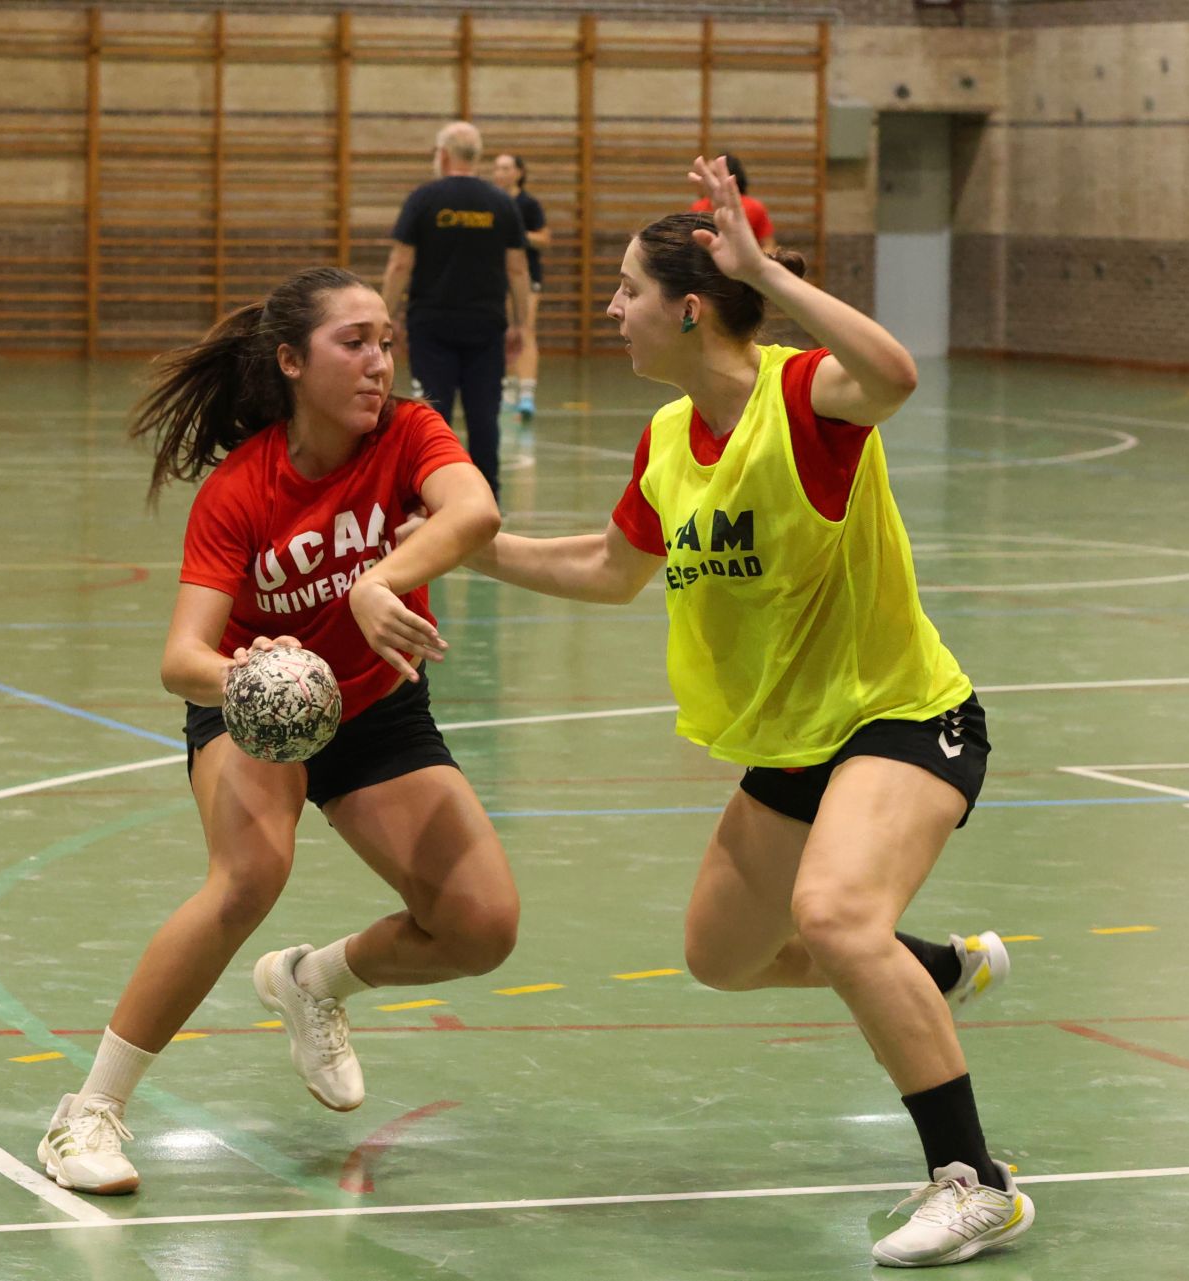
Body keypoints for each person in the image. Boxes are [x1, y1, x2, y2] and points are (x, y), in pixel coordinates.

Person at [431, 157, 1031, 1268]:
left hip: (901, 717)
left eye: (626, 291)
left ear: (690, 305)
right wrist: (458, 549)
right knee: (724, 956)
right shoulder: (667, 441)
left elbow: (894, 375)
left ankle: (974, 1182)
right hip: (789, 746)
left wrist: (769, 273)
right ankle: (935, 968)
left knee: (837, 916)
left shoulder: (803, 398)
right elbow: (611, 569)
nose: (610, 308)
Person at [35, 266, 516, 1198]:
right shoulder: (242, 490)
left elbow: (475, 510)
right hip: (256, 706)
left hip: (376, 706)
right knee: (250, 874)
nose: (379, 363)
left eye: (385, 340)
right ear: (292, 361)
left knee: (481, 926)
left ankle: (313, 980)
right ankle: (87, 1111)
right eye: (354, 343)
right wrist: (261, 675)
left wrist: (376, 583)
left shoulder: (412, 431)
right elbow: (183, 655)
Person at [381, 121, 531, 504]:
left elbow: (400, 264)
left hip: (432, 325)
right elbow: (517, 269)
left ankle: (433, 501)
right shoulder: (501, 203)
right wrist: (521, 325)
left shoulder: (423, 199)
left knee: (433, 416)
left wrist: (385, 320)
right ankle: (486, 503)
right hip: (485, 325)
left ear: (443, 155)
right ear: (476, 157)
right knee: (484, 417)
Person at [492, 152, 548, 425]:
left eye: (506, 168)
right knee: (503, 333)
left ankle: (527, 395)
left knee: (524, 329)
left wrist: (519, 236)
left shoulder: (527, 205)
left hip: (526, 277)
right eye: (497, 168)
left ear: (519, 173)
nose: (500, 173)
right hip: (496, 277)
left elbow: (544, 237)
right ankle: (507, 392)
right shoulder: (491, 203)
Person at [689, 153, 776, 252]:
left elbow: (768, 245)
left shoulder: (754, 207)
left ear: (730, 176)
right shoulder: (698, 207)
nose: (707, 180)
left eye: (713, 174)